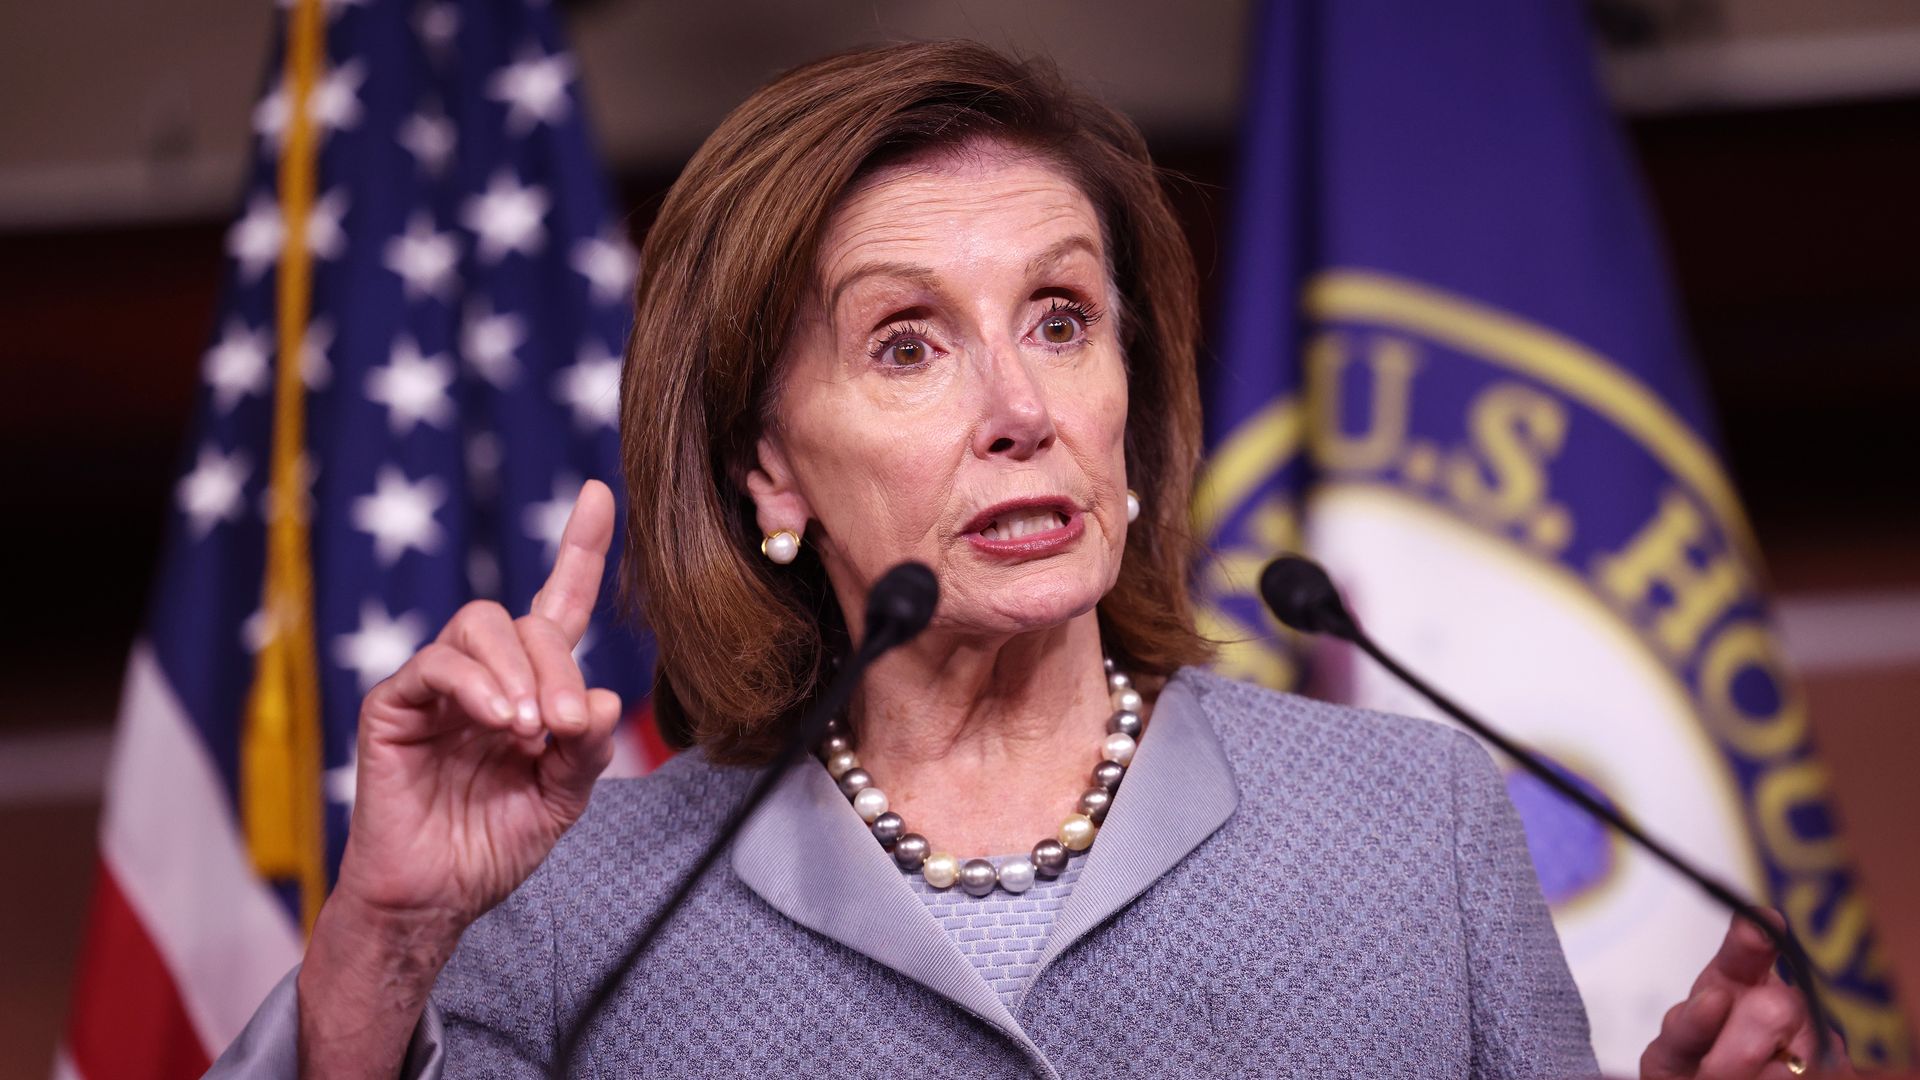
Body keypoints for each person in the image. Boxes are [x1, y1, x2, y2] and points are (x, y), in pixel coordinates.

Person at [212, 41, 1844, 1079]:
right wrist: (384, 942)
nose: (1020, 409)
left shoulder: (1416, 829)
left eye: (1061, 319)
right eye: (907, 345)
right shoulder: (583, 903)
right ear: (768, 465)